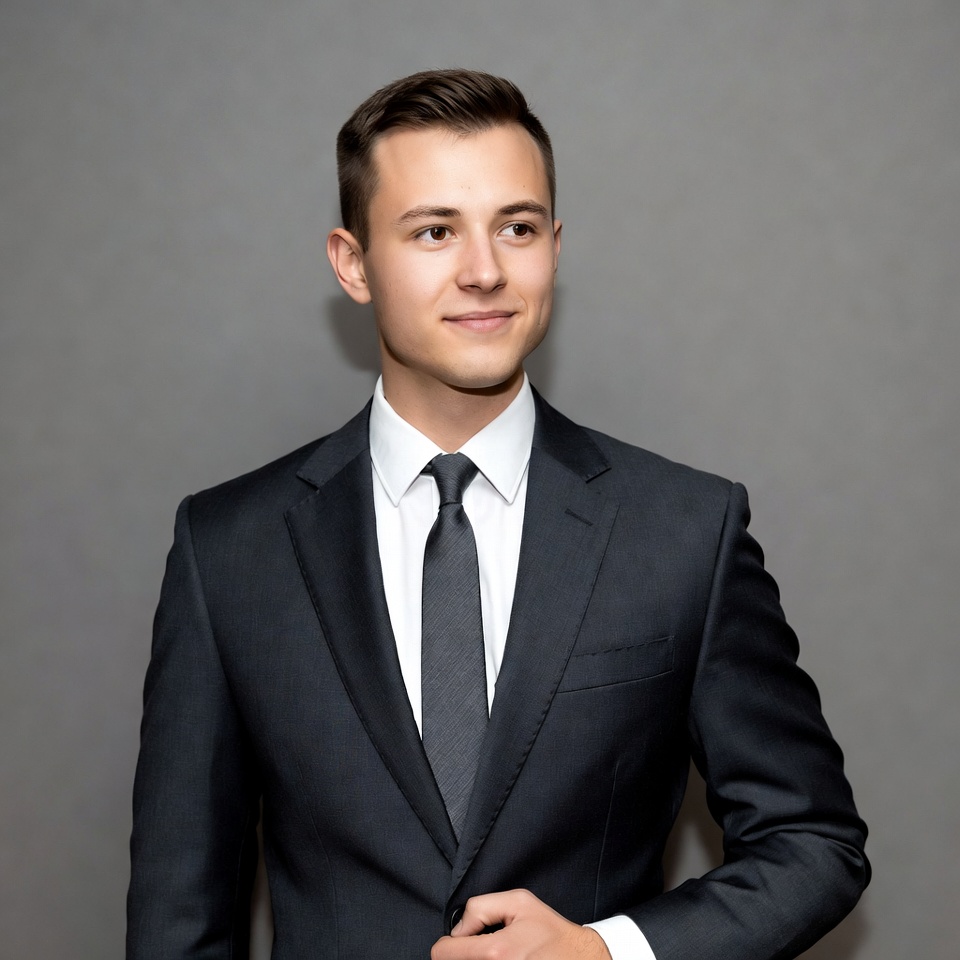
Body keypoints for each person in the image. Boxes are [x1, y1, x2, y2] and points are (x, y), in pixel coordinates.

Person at [127, 69, 869, 960]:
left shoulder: (684, 531)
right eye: (434, 231)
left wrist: (605, 952)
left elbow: (812, 845)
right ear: (352, 263)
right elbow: (179, 923)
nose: (484, 271)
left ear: (554, 246)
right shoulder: (229, 551)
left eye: (516, 228)